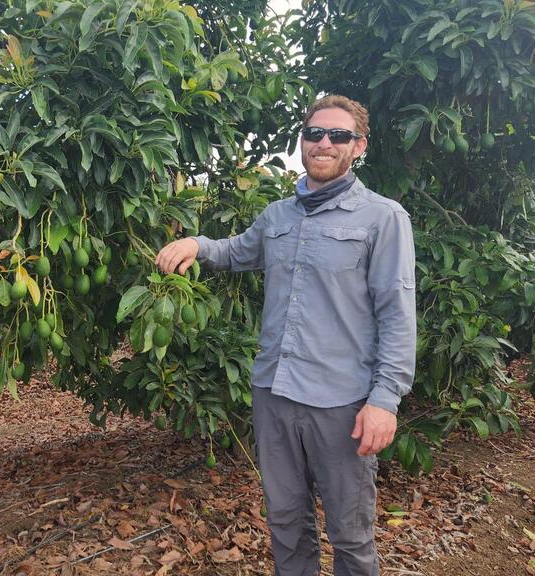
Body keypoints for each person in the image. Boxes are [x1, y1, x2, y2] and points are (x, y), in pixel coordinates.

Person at [155, 95, 416, 576]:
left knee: (351, 535)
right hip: (274, 394)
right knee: (285, 522)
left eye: (338, 136)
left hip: (342, 404)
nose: (324, 143)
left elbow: (397, 315)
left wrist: (385, 399)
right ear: (303, 142)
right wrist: (196, 243)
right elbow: (236, 251)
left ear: (358, 146)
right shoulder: (278, 216)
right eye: (315, 133)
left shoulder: (383, 218)